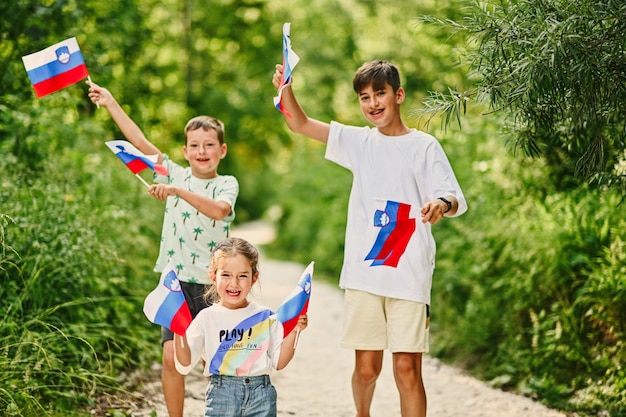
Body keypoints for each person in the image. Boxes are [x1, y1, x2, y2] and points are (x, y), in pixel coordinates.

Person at [272, 60, 467, 417]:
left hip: (409, 275)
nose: (373, 103)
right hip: (366, 275)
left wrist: (441, 203)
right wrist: (286, 89)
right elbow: (298, 123)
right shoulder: (357, 142)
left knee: (407, 369)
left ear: (398, 95)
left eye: (380, 94)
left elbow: (454, 197)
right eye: (365, 97)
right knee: (367, 369)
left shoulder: (424, 146)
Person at [87, 82, 239, 417]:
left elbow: (219, 211)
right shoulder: (175, 172)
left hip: (215, 286)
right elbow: (139, 142)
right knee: (172, 358)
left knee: (216, 360)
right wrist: (111, 101)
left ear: (222, 150)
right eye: (194, 145)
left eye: (209, 145)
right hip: (177, 284)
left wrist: (176, 191)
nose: (202, 151)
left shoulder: (226, 184)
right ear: (185, 151)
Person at [173, 237, 308, 417]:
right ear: (213, 276)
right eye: (226, 275)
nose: (234, 283)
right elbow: (184, 364)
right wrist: (176, 327)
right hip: (221, 395)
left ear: (254, 278)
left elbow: (279, 362)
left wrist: (294, 330)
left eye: (242, 276)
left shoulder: (265, 317)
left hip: (262, 395)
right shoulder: (207, 318)